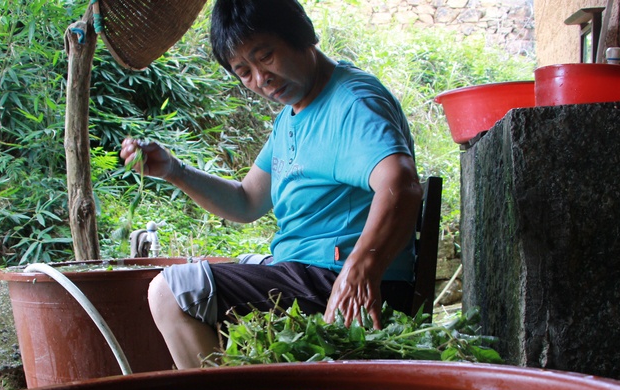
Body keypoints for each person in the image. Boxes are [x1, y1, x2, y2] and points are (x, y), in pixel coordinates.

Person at [119, 0, 423, 369]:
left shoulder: (353, 101)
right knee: (214, 273)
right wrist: (175, 170)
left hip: (340, 280)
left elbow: (401, 184)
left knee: (171, 292)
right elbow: (246, 201)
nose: (261, 80)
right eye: (244, 71)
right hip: (305, 271)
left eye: (266, 57)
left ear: (302, 36)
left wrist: (361, 269)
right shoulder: (291, 116)